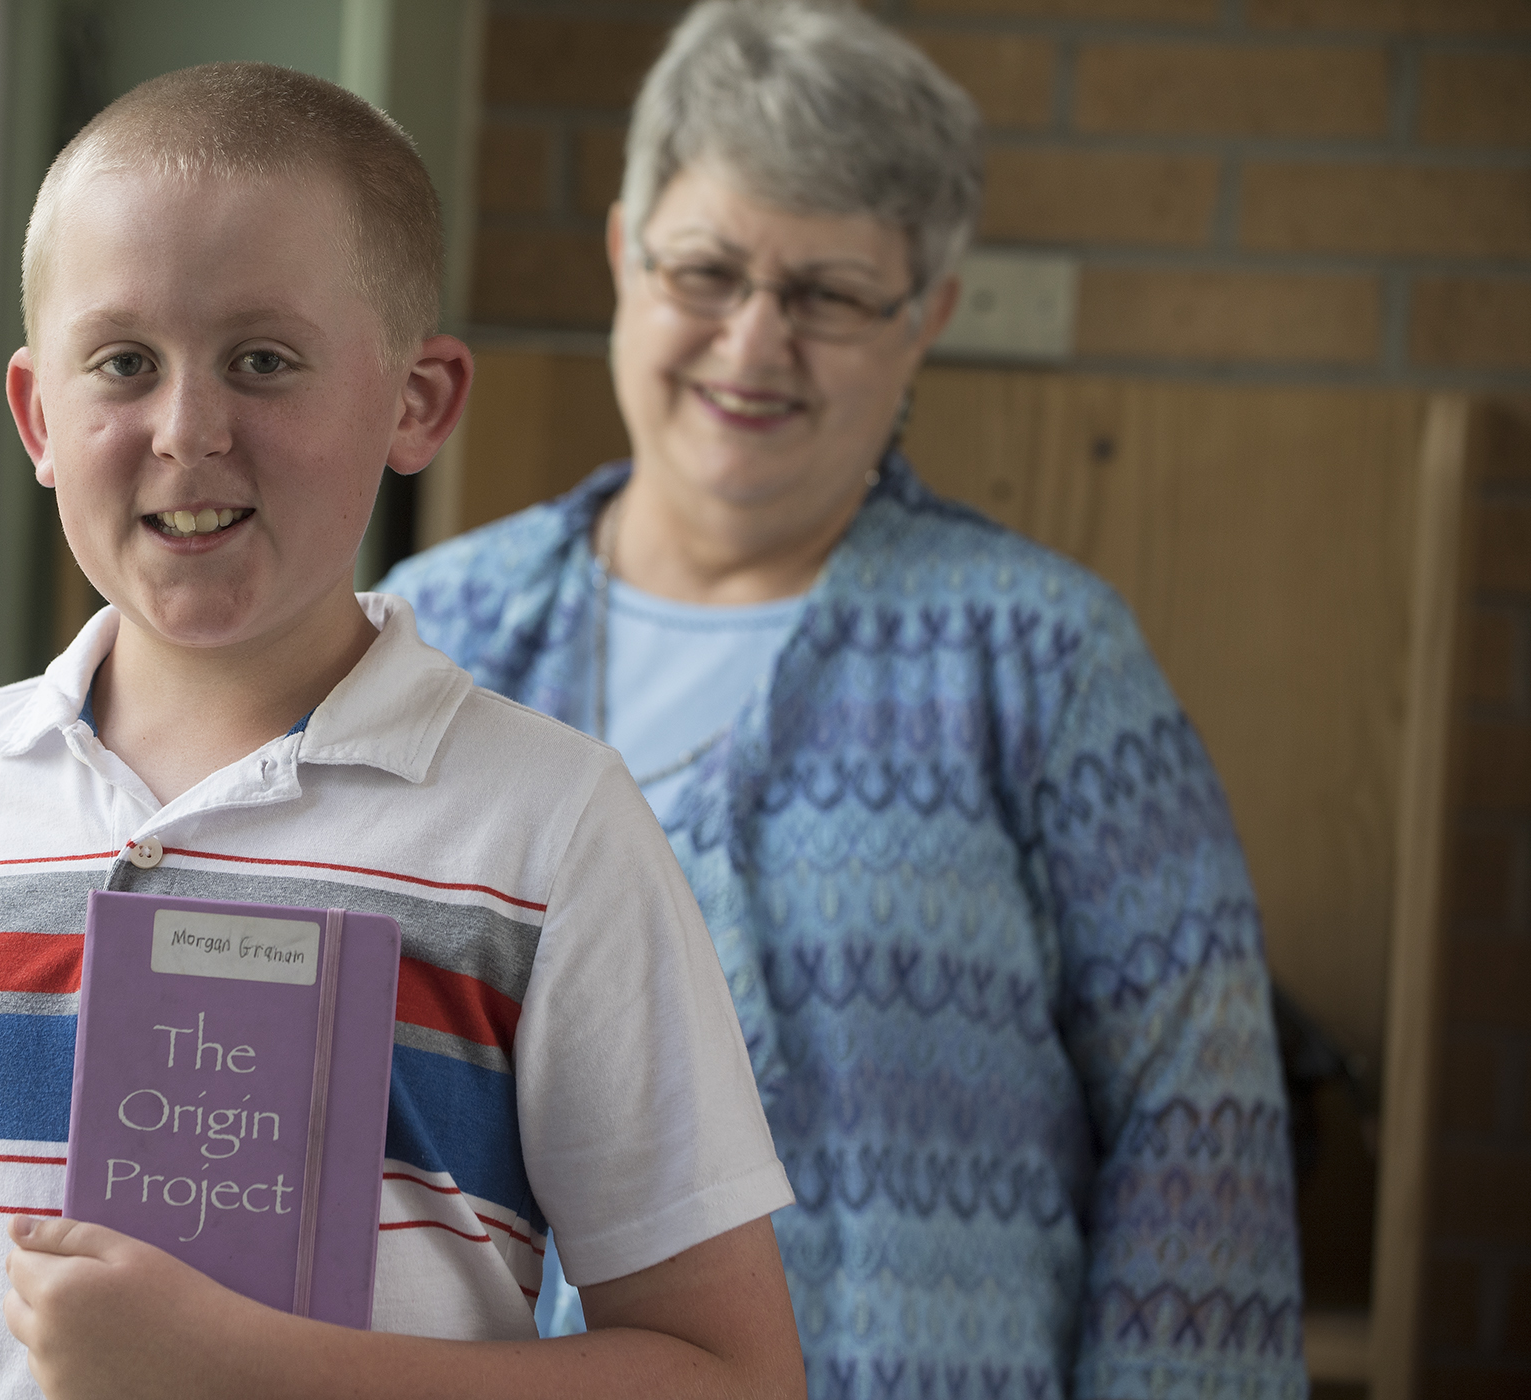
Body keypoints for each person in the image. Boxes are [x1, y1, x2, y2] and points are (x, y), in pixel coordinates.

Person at [0, 62, 803, 1400]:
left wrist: (250, 1369)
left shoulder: (550, 829)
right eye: (122, 363)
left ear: (418, 404)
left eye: (262, 362)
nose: (188, 429)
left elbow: (729, 1374)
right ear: (40, 416)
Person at [381, 3, 1306, 1398]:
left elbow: (1202, 1139)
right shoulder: (430, 639)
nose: (755, 344)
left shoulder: (1045, 662)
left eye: (829, 294)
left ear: (927, 313)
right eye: (708, 271)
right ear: (626, 250)